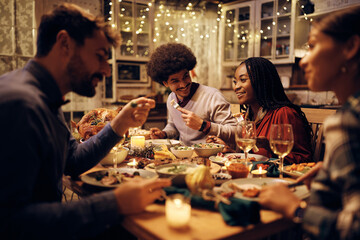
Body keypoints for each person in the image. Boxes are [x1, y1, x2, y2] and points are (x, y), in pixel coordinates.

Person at [0, 4, 170, 239]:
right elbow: (11, 222)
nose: (106, 71)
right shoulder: (20, 104)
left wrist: (119, 124)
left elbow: (73, 161)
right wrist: (114, 203)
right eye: (100, 56)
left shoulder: (45, 98)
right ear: (65, 43)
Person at [259, 6, 360, 240]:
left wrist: (295, 209)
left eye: (312, 46)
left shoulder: (349, 121)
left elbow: (353, 230)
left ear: (350, 47)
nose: (303, 61)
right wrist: (333, 171)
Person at [207, 57, 312, 164]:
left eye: (243, 80)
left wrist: (271, 148)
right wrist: (231, 152)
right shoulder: (248, 116)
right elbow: (253, 158)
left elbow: (305, 160)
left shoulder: (284, 113)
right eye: (235, 81)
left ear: (262, 81)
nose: (236, 87)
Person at [146, 43, 237, 146]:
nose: (183, 84)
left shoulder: (212, 96)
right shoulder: (171, 99)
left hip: (210, 156)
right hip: (184, 156)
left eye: (185, 76)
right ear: (165, 83)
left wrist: (204, 125)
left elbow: (235, 132)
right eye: (175, 81)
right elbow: (173, 126)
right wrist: (163, 134)